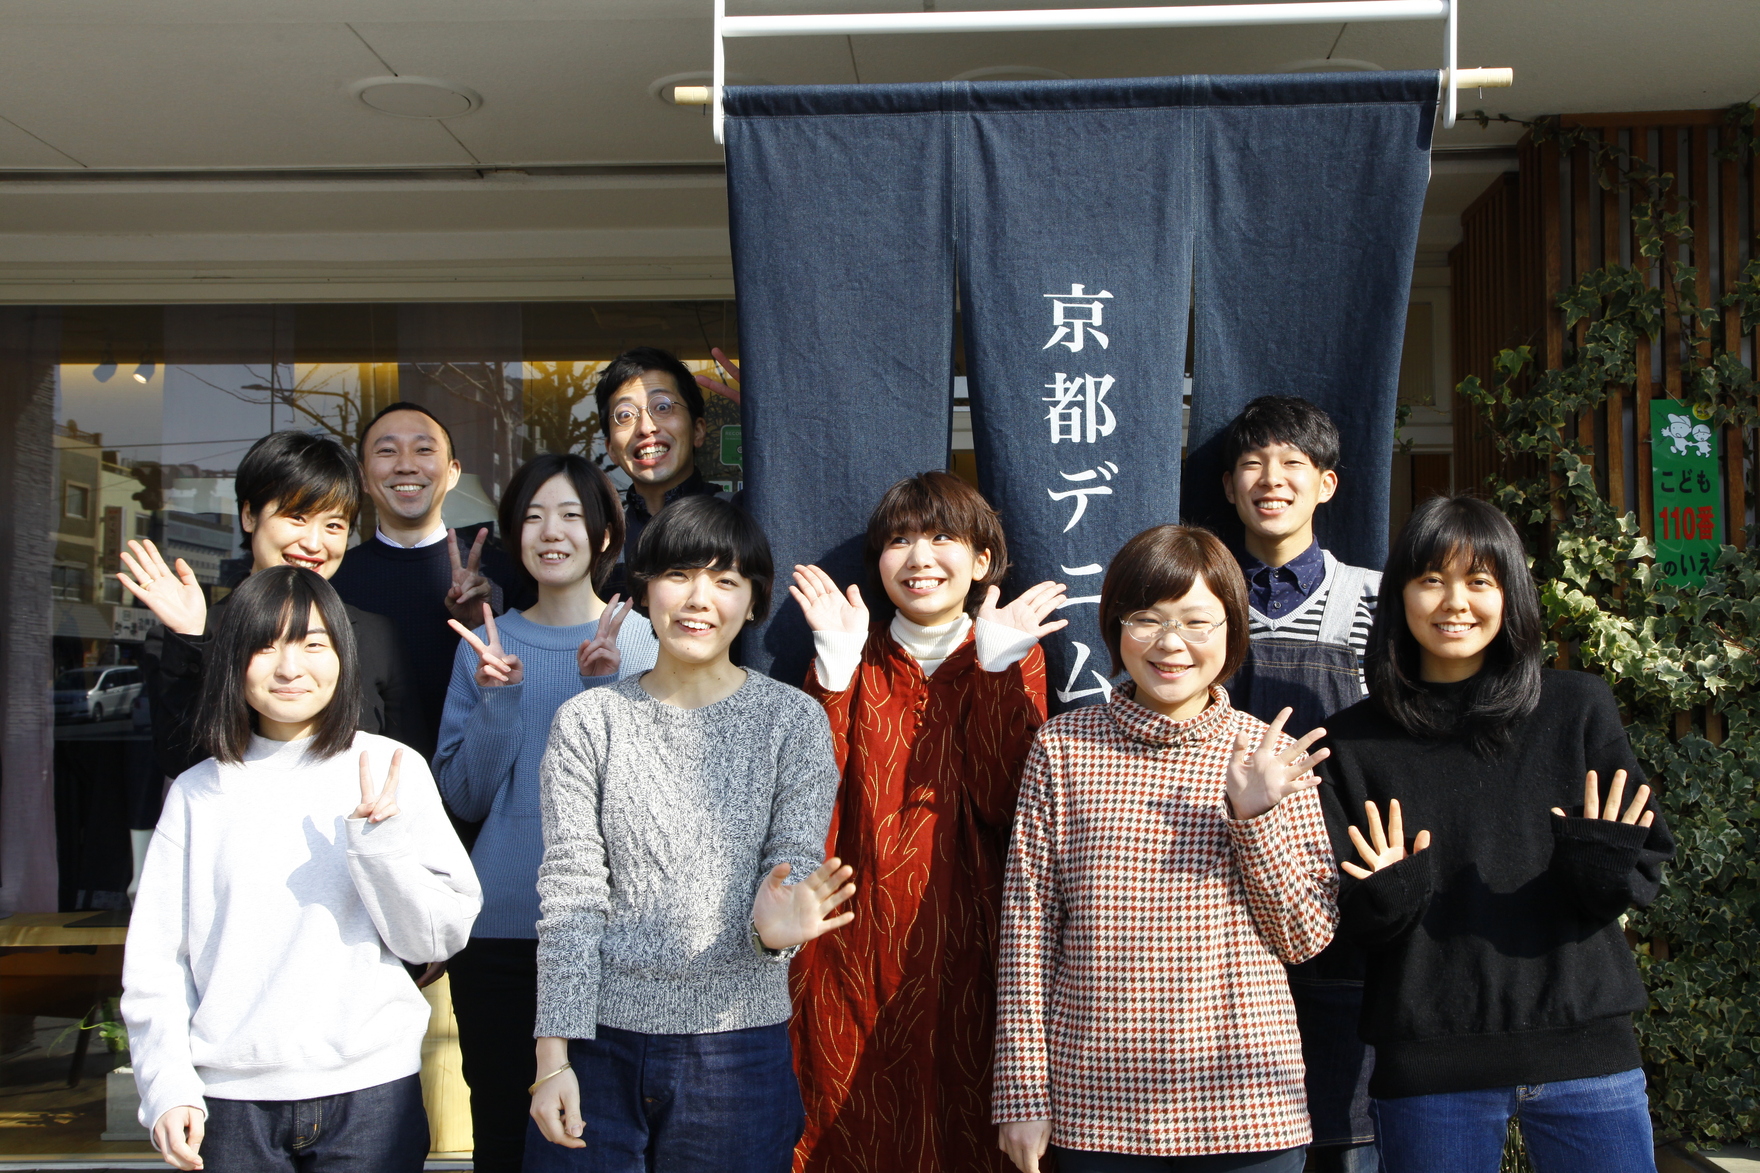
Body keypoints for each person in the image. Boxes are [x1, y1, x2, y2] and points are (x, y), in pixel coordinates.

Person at [1317, 495, 1674, 1173]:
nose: (1456, 602)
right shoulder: (1351, 743)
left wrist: (1600, 869)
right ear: (1399, 597)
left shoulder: (1577, 708)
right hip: (1429, 1064)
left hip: (1585, 1053)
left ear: (1510, 595)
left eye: (1479, 580)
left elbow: (1643, 862)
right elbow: (1333, 919)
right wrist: (1387, 896)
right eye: (1432, 579)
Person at [993, 524, 1337, 1173]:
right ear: (1116, 626)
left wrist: (1254, 817)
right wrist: (1021, 1093)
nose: (1171, 643)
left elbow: (1305, 937)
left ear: (1232, 630)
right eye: (1147, 619)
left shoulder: (1269, 755)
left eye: (1197, 622)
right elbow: (1026, 933)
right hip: (1096, 1110)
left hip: (1245, 1109)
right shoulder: (1063, 749)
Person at [526, 495, 850, 1173]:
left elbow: (791, 863)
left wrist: (774, 930)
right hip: (598, 1042)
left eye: (725, 580)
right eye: (678, 574)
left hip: (736, 1046)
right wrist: (552, 1058)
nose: (699, 599)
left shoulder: (793, 721)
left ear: (754, 603)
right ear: (646, 589)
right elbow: (570, 896)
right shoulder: (589, 721)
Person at [122, 565, 481, 1173]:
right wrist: (168, 1084)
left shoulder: (391, 767)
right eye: (265, 647)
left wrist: (381, 851)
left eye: (313, 644)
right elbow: (157, 962)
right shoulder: (198, 792)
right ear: (233, 662)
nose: (290, 668)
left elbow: (436, 939)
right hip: (229, 1102)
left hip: (372, 1094)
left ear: (343, 655)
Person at [787, 470, 1066, 1173]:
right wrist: (834, 669)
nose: (919, 558)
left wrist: (997, 669)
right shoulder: (852, 648)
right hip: (856, 938)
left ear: (981, 560)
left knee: (969, 1121)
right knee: (851, 1121)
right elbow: (809, 799)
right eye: (900, 540)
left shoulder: (1015, 651)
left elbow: (1007, 799)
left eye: (943, 537)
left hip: (977, 937)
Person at [431, 453, 659, 1173]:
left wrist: (605, 693)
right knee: (503, 1134)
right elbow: (463, 797)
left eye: (569, 515)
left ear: (604, 535)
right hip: (501, 928)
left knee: (601, 1138)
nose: (550, 532)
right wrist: (499, 700)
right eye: (532, 517)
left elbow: (658, 801)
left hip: (614, 931)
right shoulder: (484, 642)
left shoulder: (644, 640)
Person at [1218, 396, 1381, 1172]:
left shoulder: (1377, 600)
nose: (1272, 479)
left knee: (1346, 1137)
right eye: (1253, 464)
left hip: (1342, 892)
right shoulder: (1197, 598)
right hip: (1216, 900)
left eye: (1293, 463)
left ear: (1328, 483)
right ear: (1228, 487)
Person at [123, 430, 416, 782]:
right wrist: (190, 639)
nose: (313, 543)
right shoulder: (188, 638)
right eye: (297, 517)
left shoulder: (376, 636)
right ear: (249, 515)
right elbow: (181, 763)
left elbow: (409, 766)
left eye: (334, 525)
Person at [330, 400, 529, 762]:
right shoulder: (333, 579)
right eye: (387, 451)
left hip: (484, 774)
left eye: (423, 450)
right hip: (367, 779)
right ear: (362, 477)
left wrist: (488, 619)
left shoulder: (506, 573)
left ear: (453, 473)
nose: (406, 465)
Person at [594, 347, 730, 592]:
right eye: (625, 414)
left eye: (663, 407)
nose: (646, 428)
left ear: (698, 430)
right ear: (611, 449)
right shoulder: (599, 540)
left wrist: (770, 416)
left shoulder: (745, 514)